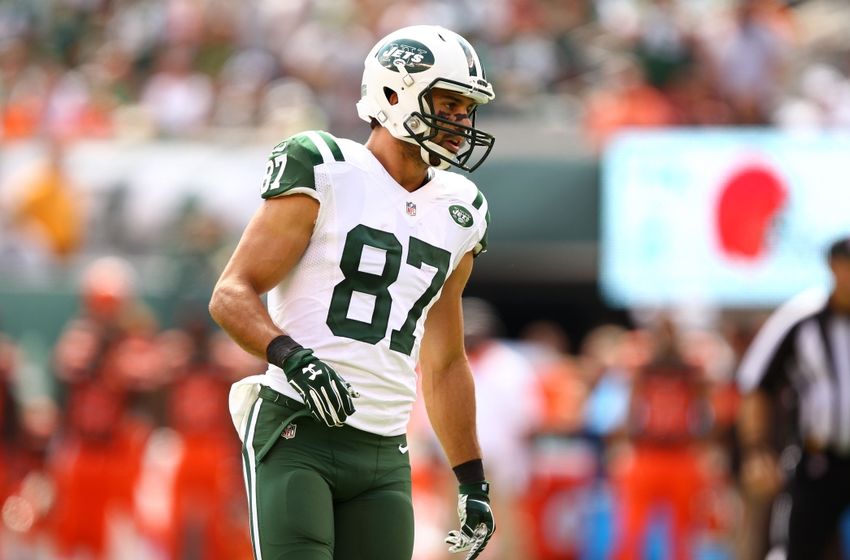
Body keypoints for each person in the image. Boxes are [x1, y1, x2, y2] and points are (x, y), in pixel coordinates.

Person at [209, 25, 497, 560]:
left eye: (466, 107)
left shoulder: (462, 210)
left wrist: (471, 480)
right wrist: (292, 358)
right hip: (298, 428)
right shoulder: (325, 167)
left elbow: (445, 362)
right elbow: (231, 293)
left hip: (386, 451)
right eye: (448, 102)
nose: (460, 120)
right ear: (394, 94)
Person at [737, 235, 850, 560]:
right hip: (818, 461)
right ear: (833, 267)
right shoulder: (801, 317)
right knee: (799, 548)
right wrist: (757, 449)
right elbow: (757, 385)